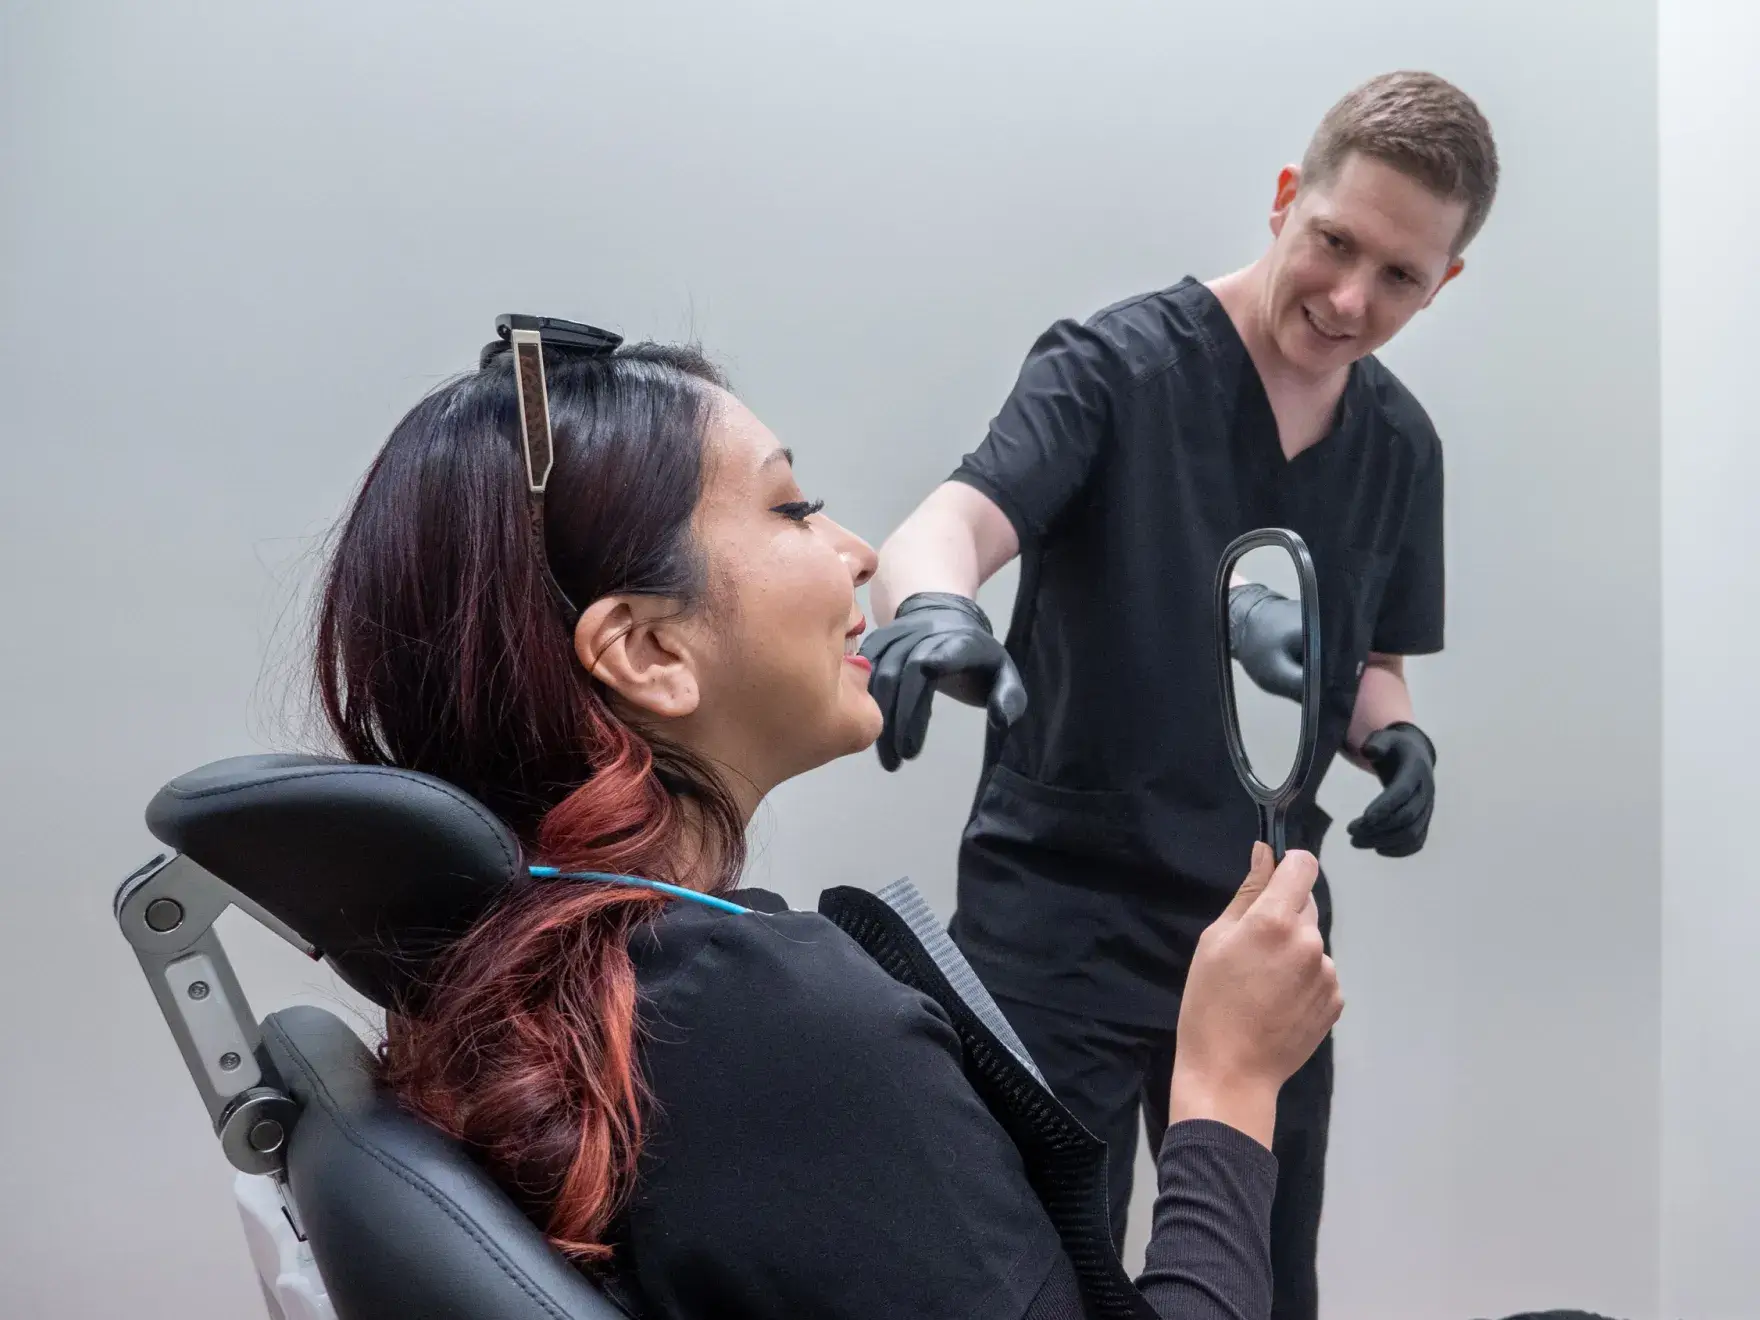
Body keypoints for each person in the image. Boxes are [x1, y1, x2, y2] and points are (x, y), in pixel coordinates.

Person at [310, 322, 1342, 1318]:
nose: (854, 551)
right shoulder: (773, 1030)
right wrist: (1224, 1083)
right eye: (793, 508)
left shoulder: (535, 984)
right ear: (648, 653)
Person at [860, 70, 1498, 1319]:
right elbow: (945, 526)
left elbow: (1365, 658)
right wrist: (932, 606)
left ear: (1445, 282)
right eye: (1333, 244)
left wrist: (1398, 738)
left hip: (1263, 918)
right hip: (1063, 913)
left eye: (1399, 279)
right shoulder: (1114, 369)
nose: (1350, 299)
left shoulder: (1398, 444)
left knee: (1256, 1277)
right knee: (1043, 1267)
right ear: (1281, 201)